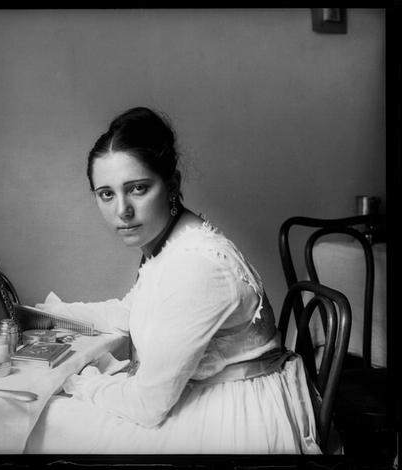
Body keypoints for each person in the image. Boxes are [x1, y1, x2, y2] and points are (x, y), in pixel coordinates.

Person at [24, 107, 320, 454]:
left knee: (43, 417)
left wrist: (81, 380)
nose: (122, 210)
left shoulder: (195, 266)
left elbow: (148, 406)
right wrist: (35, 313)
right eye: (106, 194)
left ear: (172, 185)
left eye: (137, 189)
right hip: (207, 395)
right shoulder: (174, 242)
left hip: (233, 420)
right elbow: (127, 313)